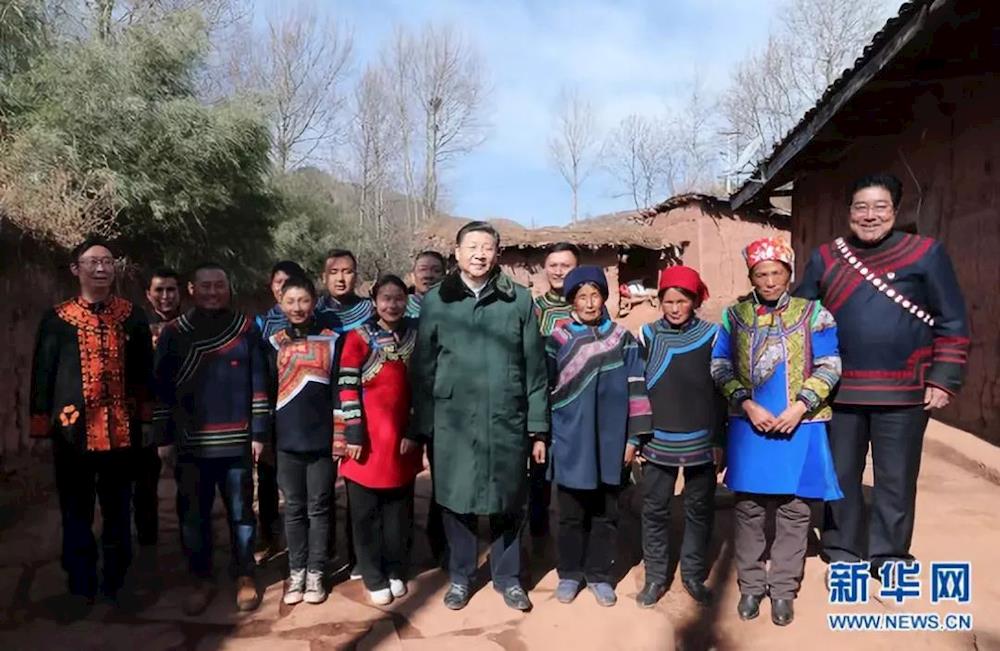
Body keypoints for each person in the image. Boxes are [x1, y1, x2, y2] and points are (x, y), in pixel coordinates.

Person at [794, 173, 970, 578]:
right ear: (849, 211)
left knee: (896, 477)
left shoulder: (925, 253)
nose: (870, 216)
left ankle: (889, 554)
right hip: (839, 391)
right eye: (861, 207)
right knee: (840, 474)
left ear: (895, 210)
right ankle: (842, 547)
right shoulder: (826, 257)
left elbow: (953, 319)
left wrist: (943, 378)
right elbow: (800, 319)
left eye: (880, 207)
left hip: (906, 391)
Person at [410, 221, 549, 612]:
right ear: (457, 253)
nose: (479, 254)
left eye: (486, 247)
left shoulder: (518, 300)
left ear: (497, 253)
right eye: (471, 246)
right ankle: (461, 576)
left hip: (506, 418)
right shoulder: (438, 300)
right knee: (456, 500)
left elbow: (535, 369)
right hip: (452, 420)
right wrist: (423, 427)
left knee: (509, 499)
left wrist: (538, 428)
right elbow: (423, 367)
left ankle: (509, 579)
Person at [711, 238, 843, 626]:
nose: (769, 281)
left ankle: (783, 588)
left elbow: (831, 364)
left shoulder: (815, 314)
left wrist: (800, 406)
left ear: (789, 274)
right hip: (749, 426)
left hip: (801, 425)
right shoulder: (733, 317)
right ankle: (751, 585)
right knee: (749, 508)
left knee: (795, 509)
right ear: (751, 277)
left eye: (776, 273)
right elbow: (719, 365)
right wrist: (746, 404)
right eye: (761, 274)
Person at [30, 237, 154, 610]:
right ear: (76, 269)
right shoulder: (57, 319)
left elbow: (144, 373)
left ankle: (117, 581)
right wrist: (41, 423)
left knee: (118, 508)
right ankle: (80, 583)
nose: (101, 268)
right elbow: (43, 373)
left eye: (107, 262)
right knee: (75, 509)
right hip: (72, 433)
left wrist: (146, 418)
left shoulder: (132, 316)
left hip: (122, 430)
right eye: (93, 262)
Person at [154, 262, 269, 615]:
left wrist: (259, 431)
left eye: (219, 285)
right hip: (190, 442)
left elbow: (259, 382)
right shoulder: (175, 332)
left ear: (228, 288)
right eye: (205, 286)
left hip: (237, 440)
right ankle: (200, 578)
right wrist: (163, 437)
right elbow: (162, 389)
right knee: (193, 514)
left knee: (241, 512)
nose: (213, 292)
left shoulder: (245, 329)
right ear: (191, 289)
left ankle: (245, 574)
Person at [545, 266, 651, 607]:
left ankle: (599, 575)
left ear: (604, 297)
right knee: (571, 514)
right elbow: (543, 390)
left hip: (611, 442)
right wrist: (545, 437)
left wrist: (633, 440)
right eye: (582, 297)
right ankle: (569, 573)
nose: (590, 303)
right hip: (571, 441)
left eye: (595, 295)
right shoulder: (557, 340)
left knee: (606, 513)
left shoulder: (622, 339)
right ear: (571, 301)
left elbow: (637, 386)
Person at [634, 265, 722, 608]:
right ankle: (656, 576)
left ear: (695, 301)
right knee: (655, 508)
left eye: (682, 301)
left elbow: (721, 392)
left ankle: (693, 574)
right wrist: (638, 436)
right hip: (657, 438)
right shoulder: (647, 335)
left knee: (699, 508)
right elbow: (636, 389)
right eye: (668, 301)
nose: (674, 308)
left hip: (701, 438)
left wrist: (720, 441)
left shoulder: (713, 336)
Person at [339, 275, 423, 605]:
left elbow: (423, 387)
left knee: (398, 513)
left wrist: (414, 431)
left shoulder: (415, 336)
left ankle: (395, 569)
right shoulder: (358, 337)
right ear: (374, 301)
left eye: (399, 298)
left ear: (407, 301)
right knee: (364, 514)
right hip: (366, 441)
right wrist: (353, 432)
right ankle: (372, 575)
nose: (392, 305)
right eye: (386, 298)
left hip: (402, 440)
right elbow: (347, 386)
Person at [265, 275, 339, 606]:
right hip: (286, 442)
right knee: (293, 508)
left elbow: (339, 392)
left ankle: (316, 572)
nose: (297, 307)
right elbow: (267, 394)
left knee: (319, 508)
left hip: (322, 442)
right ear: (281, 304)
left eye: (304, 300)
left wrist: (341, 437)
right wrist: (265, 440)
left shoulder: (332, 341)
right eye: (290, 301)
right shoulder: (273, 344)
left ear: (314, 302)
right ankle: (296, 571)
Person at [255, 260, 307, 560]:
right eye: (278, 282)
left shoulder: (313, 323)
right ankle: (269, 534)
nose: (283, 287)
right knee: (267, 476)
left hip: (301, 415)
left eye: (289, 281)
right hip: (271, 411)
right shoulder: (261, 323)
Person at [528, 241, 580, 538]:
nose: (559, 271)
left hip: (579, 405)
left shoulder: (589, 306)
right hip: (542, 403)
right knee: (540, 471)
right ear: (545, 269)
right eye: (553, 265)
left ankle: (578, 537)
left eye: (566, 266)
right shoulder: (533, 309)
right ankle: (538, 537)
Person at [135, 267, 181, 553]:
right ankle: (148, 543)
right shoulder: (136, 325)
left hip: (184, 414)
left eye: (171, 290)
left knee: (189, 482)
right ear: (148, 294)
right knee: (144, 482)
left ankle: (193, 541)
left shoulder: (191, 324)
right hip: (146, 415)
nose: (165, 296)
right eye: (159, 290)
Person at [316, 249, 374, 334]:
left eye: (347, 272)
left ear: (355, 277)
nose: (340, 278)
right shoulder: (313, 313)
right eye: (333, 272)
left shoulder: (371, 311)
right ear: (324, 278)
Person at [406, 251, 446, 318]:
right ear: (412, 276)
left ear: (444, 277)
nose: (428, 275)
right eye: (422, 269)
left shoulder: (454, 307)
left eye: (436, 270)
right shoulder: (400, 307)